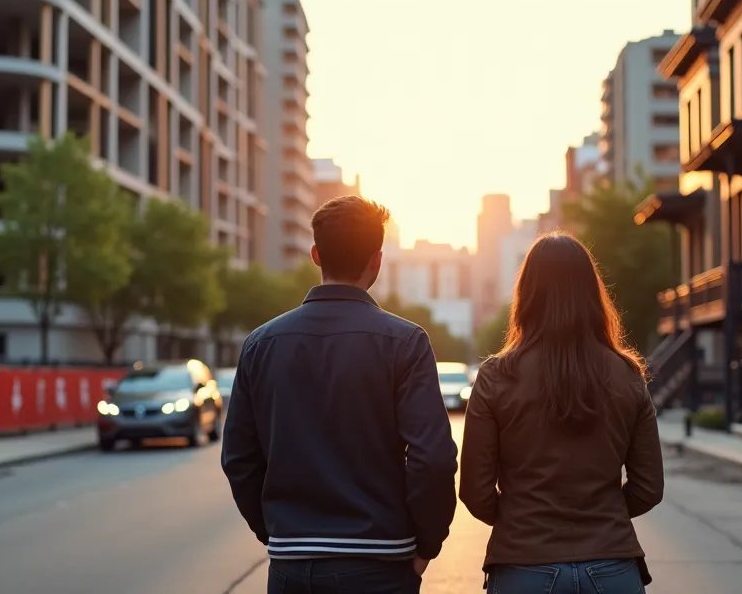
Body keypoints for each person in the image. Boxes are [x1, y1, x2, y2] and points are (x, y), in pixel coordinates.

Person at [222, 195, 459, 594]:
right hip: (379, 563)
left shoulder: (261, 344)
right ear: (377, 261)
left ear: (315, 254)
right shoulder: (405, 342)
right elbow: (432, 458)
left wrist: (278, 534)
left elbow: (239, 459)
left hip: (291, 567)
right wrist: (427, 545)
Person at [459, 232, 665, 593]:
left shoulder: (496, 376)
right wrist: (600, 516)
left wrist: (519, 520)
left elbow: (475, 492)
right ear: (592, 294)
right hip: (612, 566)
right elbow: (648, 488)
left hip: (523, 566)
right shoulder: (627, 373)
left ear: (527, 293)